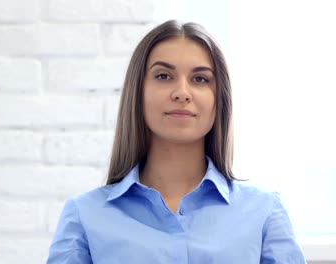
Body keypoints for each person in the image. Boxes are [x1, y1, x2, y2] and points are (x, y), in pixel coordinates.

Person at [47, 20, 306, 263]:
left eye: (200, 79)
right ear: (138, 92)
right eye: (163, 76)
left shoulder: (264, 211)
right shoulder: (85, 215)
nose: (182, 92)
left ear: (219, 99)